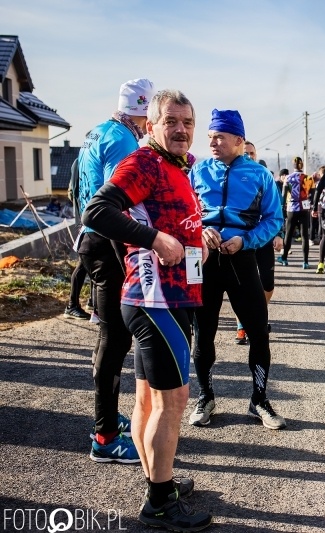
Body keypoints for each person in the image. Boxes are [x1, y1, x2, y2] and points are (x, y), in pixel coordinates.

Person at [82, 88, 212, 531]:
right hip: (156, 300)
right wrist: (154, 239)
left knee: (147, 399)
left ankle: (158, 478)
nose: (181, 129)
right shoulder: (145, 162)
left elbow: (168, 217)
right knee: (173, 401)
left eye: (188, 122)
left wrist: (197, 238)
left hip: (169, 297)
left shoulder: (178, 165)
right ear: (151, 125)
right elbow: (97, 211)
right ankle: (159, 501)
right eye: (171, 121)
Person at [188, 110, 285, 430]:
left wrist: (246, 240)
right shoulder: (198, 170)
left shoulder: (259, 174)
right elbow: (185, 214)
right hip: (204, 261)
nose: (212, 143)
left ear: (239, 140)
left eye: (220, 137)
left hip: (242, 259)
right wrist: (200, 231)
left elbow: (274, 219)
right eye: (210, 137)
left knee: (258, 332)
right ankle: (205, 396)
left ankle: (260, 399)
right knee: (203, 334)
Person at [77, 79, 156, 464]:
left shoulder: (97, 131)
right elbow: (113, 206)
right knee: (115, 339)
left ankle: (108, 419)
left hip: (89, 240)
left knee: (110, 336)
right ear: (142, 114)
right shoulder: (124, 141)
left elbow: (79, 188)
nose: (148, 127)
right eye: (149, 118)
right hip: (106, 243)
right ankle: (105, 435)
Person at [234, 141, 285, 345]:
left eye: (252, 153)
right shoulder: (233, 176)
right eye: (246, 153)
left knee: (267, 283)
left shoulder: (264, 176)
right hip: (240, 241)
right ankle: (242, 325)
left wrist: (279, 234)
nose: (249, 156)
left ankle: (258, 313)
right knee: (241, 285)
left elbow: (277, 209)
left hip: (263, 238)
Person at [278, 157, 313, 268]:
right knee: (304, 235)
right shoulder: (308, 178)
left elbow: (283, 195)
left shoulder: (288, 178)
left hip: (292, 208)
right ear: (302, 165)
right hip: (304, 208)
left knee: (288, 234)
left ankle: (284, 258)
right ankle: (305, 262)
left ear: (293, 165)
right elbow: (313, 193)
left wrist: (282, 208)